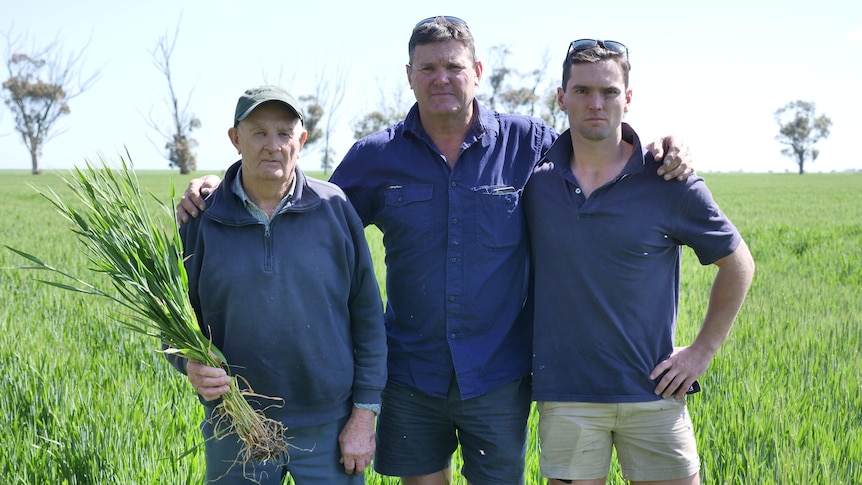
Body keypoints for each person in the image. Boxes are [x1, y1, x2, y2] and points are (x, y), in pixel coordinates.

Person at [176, 18, 693, 485]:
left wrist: (660, 146)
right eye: (428, 68)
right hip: (409, 374)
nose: (441, 77)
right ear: (409, 75)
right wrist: (217, 186)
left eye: (453, 66)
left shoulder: (528, 143)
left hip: (497, 375)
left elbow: (597, 147)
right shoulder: (374, 157)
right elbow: (300, 214)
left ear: (478, 71)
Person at [523, 39, 756, 485]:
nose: (597, 103)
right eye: (583, 91)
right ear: (561, 97)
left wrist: (701, 353)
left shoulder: (668, 179)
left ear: (628, 99)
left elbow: (739, 263)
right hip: (567, 396)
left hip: (654, 392)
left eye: (610, 92)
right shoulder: (534, 179)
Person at [166, 85, 387, 484]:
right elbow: (170, 320)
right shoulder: (200, 219)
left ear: (300, 141)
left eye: (284, 133)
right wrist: (189, 363)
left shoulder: (335, 209)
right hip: (234, 423)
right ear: (235, 139)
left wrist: (363, 416)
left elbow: (368, 319)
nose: (273, 145)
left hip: (329, 427)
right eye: (259, 132)